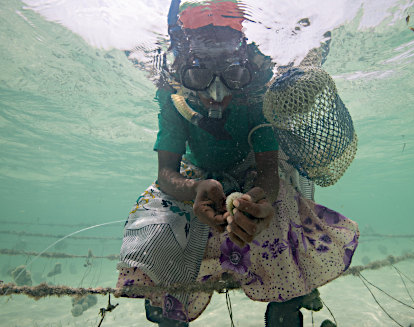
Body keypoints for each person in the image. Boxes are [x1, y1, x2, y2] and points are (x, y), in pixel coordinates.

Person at [117, 1, 359, 326]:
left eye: (233, 74)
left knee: (281, 215)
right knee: (155, 224)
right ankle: (167, 307)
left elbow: (269, 173)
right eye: (199, 74)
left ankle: (289, 300)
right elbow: (166, 174)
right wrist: (195, 189)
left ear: (247, 66)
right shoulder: (172, 96)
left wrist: (264, 198)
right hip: (198, 176)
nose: (217, 92)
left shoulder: (260, 90)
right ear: (183, 69)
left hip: (252, 172)